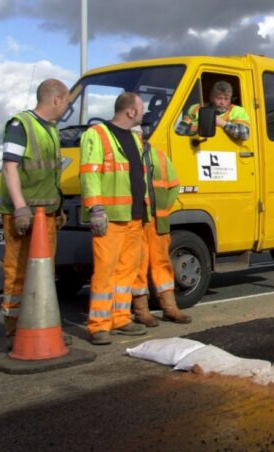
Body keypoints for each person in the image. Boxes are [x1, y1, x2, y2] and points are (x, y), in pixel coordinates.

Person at [0, 79, 70, 344]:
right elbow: (10, 167)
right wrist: (20, 208)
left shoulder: (50, 129)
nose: (66, 107)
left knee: (43, 274)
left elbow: (50, 175)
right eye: (65, 101)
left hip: (45, 215)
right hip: (23, 215)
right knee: (17, 273)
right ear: (56, 99)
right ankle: (15, 330)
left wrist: (58, 207)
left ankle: (42, 326)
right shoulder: (21, 126)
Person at [80, 92, 151, 345]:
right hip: (110, 218)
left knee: (127, 271)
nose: (144, 114)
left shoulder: (135, 137)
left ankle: (120, 318)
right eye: (141, 109)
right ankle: (98, 325)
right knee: (105, 272)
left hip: (134, 216)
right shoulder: (96, 134)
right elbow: (89, 175)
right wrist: (96, 210)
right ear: (130, 111)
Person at [130, 140, 191, 326]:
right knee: (138, 265)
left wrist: (163, 209)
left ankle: (170, 309)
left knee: (161, 263)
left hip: (156, 221)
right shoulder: (128, 155)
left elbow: (174, 185)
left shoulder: (159, 155)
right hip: (137, 220)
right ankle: (142, 311)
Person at [175, 81, 250, 140]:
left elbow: (245, 134)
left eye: (226, 99)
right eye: (219, 98)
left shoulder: (237, 111)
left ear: (230, 99)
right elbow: (180, 130)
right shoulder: (196, 108)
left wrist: (222, 123)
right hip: (192, 147)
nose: (222, 102)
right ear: (211, 98)